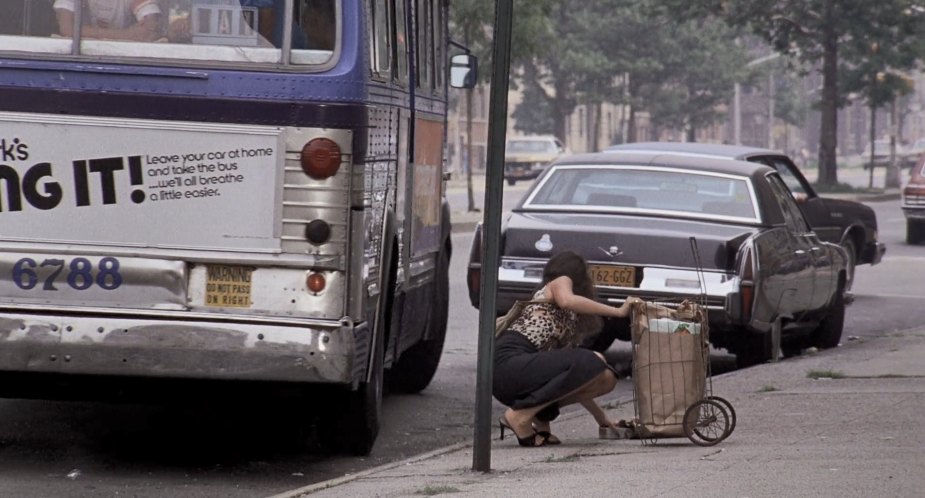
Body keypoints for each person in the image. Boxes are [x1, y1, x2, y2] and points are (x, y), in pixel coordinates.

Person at [493, 250, 643, 447]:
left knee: (605, 378)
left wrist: (602, 419)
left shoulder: (567, 320)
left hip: (512, 379)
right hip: (508, 362)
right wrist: (618, 311)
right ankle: (520, 417)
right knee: (595, 359)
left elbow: (574, 380)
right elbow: (567, 300)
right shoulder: (558, 281)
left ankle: (536, 423)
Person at [53, 0, 163, 42]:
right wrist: (126, 35)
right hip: (80, 61)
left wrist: (85, 32)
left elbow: (150, 30)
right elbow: (67, 29)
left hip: (124, 62)